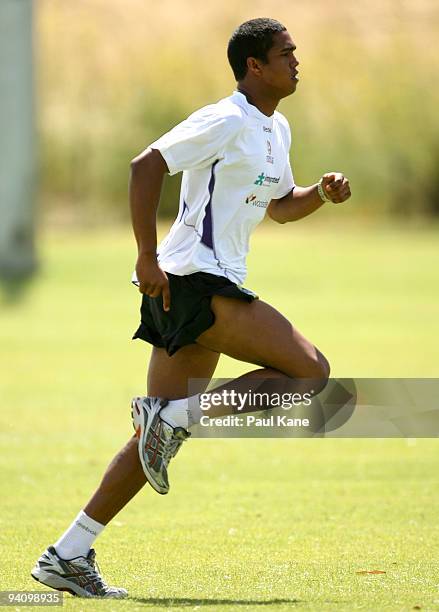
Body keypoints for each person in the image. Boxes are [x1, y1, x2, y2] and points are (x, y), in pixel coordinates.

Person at [31, 17, 351, 598]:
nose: (296, 61)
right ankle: (178, 420)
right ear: (255, 66)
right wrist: (145, 257)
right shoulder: (224, 119)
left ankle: (67, 554)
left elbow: (280, 206)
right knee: (311, 373)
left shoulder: (276, 129)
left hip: (188, 289)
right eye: (286, 53)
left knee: (150, 437)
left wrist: (320, 197)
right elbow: (145, 165)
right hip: (193, 282)